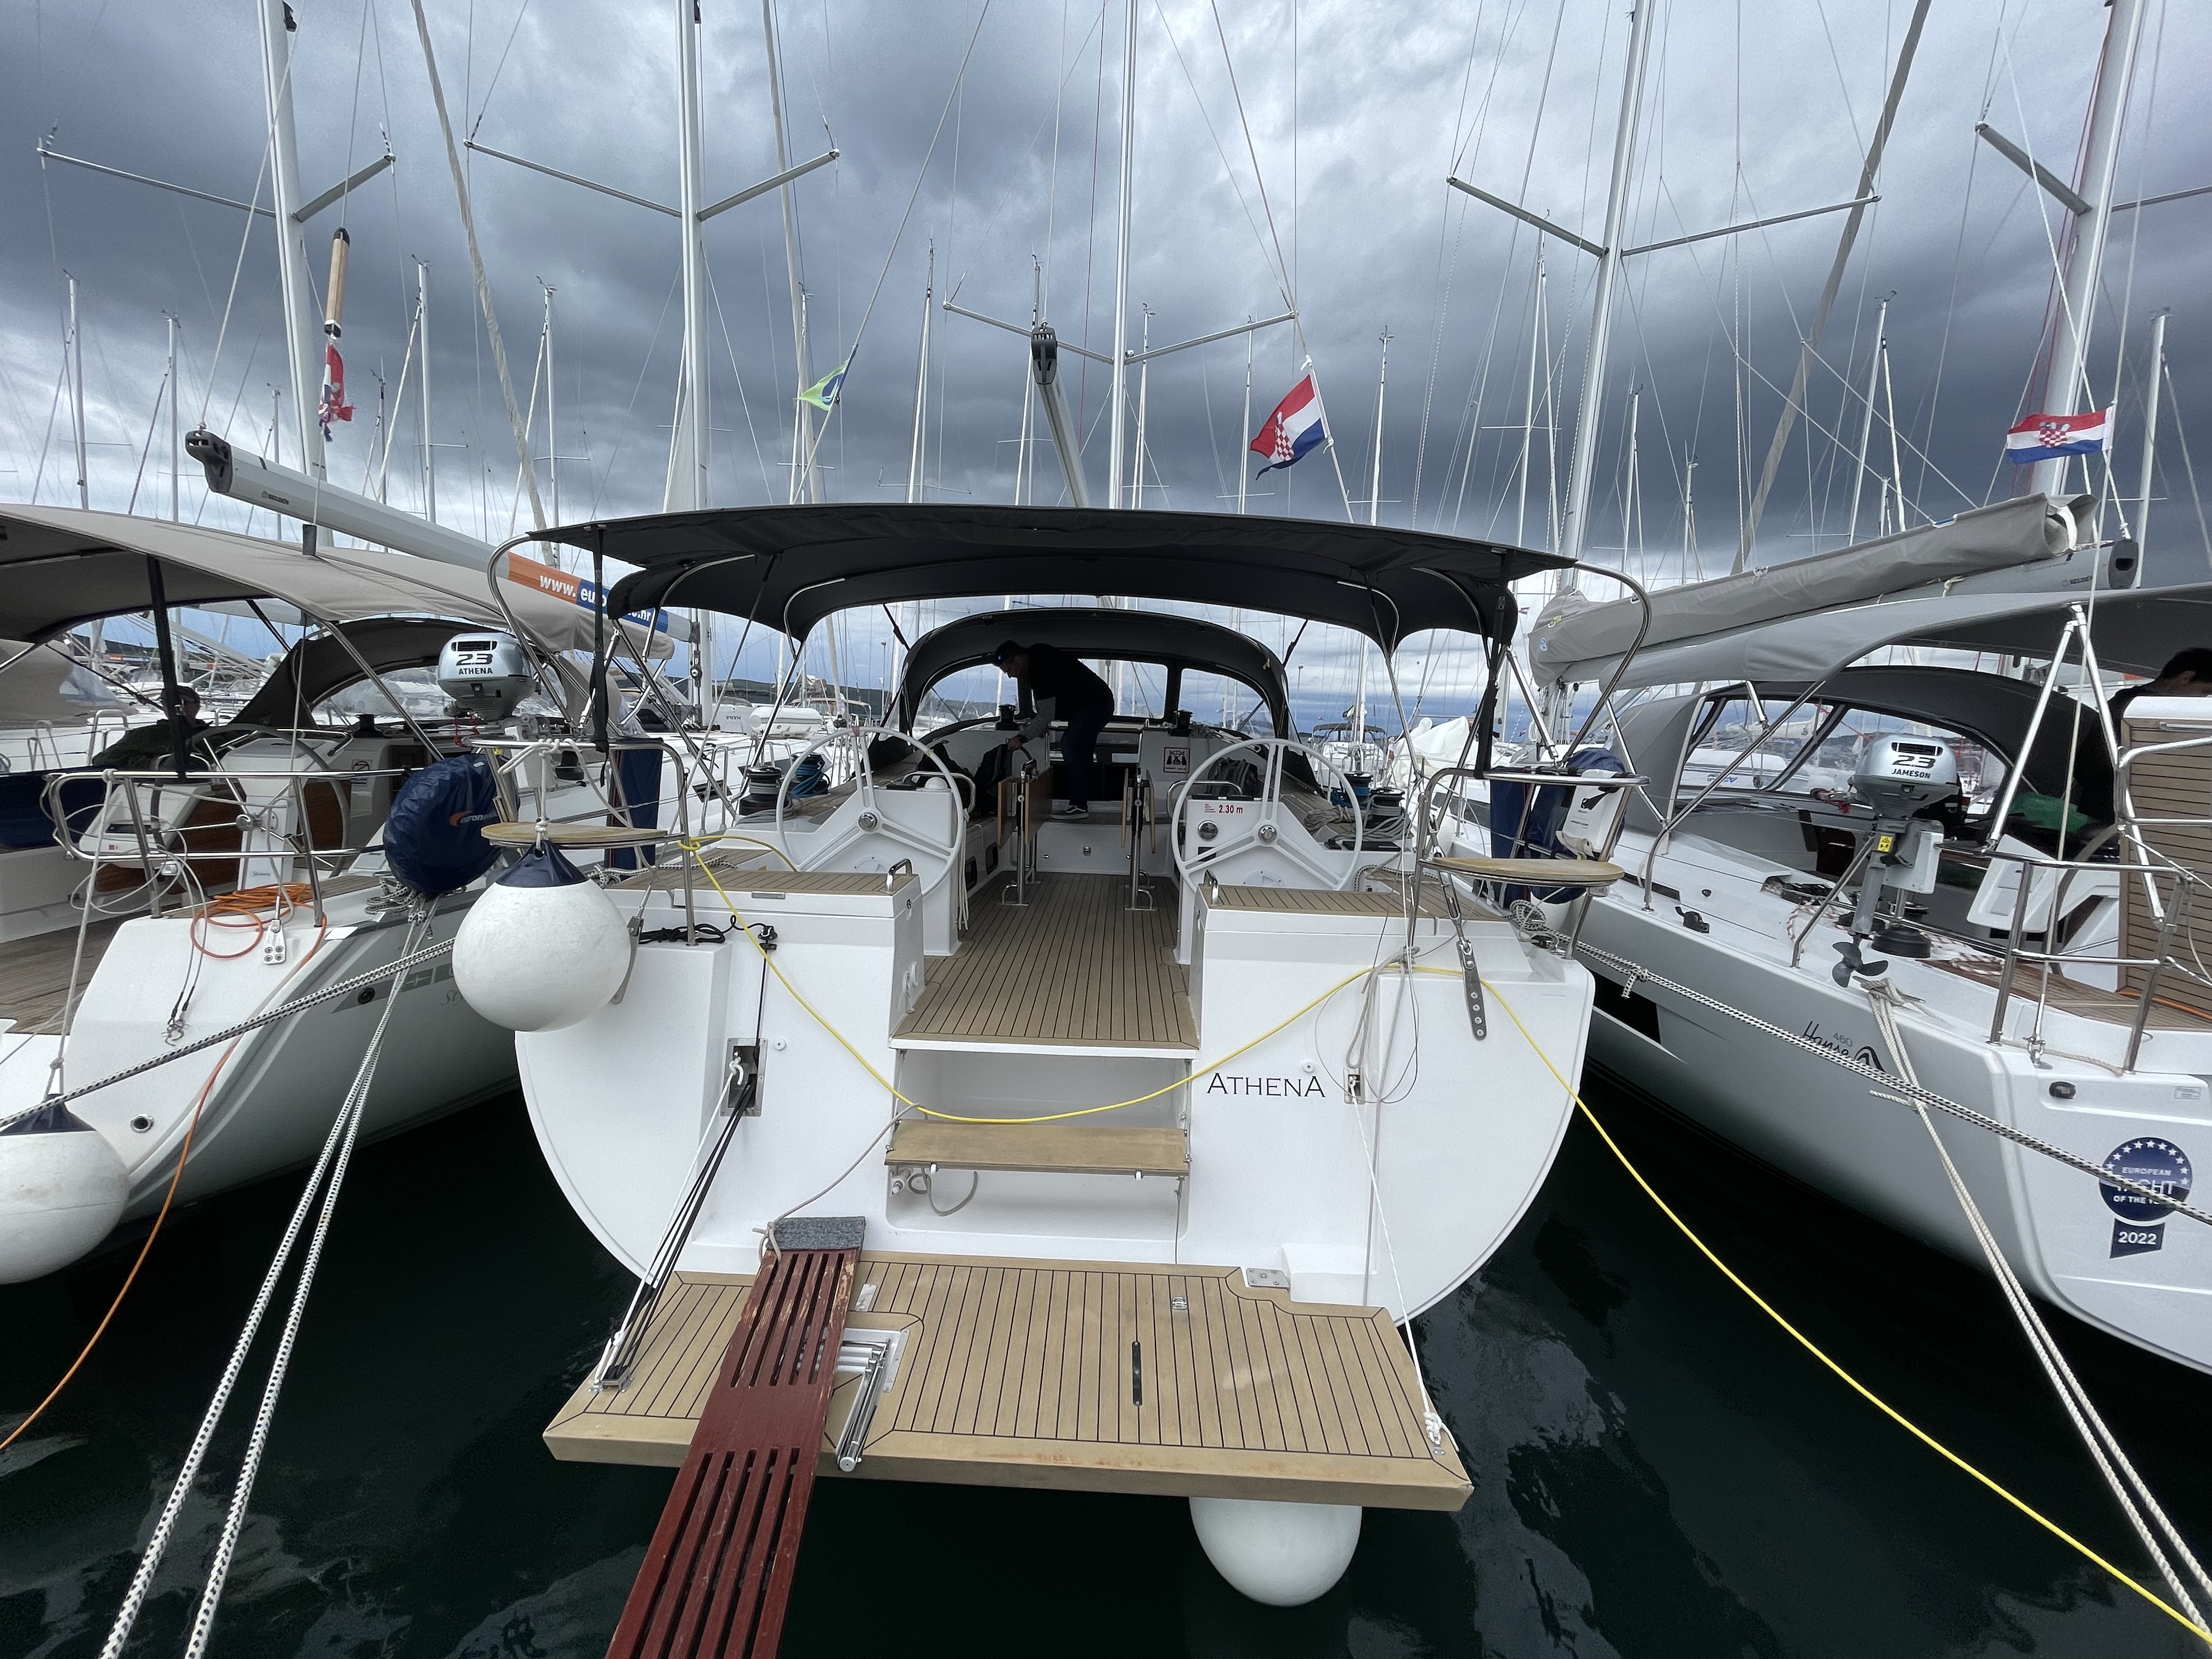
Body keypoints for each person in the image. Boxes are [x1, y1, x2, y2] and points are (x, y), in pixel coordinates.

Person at [992, 640, 1114, 821]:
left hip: (1095, 705)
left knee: (1070, 745)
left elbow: (1046, 714)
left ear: (1016, 659)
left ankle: (1079, 806)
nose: (1010, 675)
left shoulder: (1040, 668)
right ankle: (1089, 801)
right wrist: (1039, 725)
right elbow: (1045, 708)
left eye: (1008, 670)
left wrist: (1022, 738)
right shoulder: (1038, 659)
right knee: (1082, 751)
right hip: (1096, 703)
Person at [87, 689, 212, 770]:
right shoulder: (145, 735)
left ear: (197, 706)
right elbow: (102, 759)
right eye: (166, 703)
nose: (173, 708)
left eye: (182, 703)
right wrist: (155, 763)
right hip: (166, 789)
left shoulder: (213, 734)